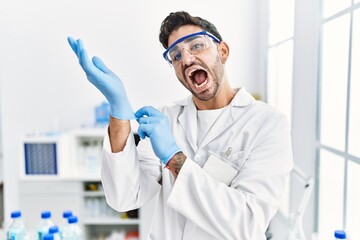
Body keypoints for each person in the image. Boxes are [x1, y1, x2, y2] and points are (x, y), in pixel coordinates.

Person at [68, 11, 293, 240]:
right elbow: (124, 196)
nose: (186, 59)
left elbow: (247, 222)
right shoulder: (168, 118)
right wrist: (118, 111)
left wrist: (173, 157)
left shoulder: (268, 124)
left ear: (223, 51)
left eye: (196, 46)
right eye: (175, 55)